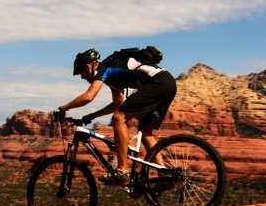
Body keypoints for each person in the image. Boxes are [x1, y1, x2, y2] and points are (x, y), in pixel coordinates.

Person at [55, 47, 177, 186]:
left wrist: (63, 108)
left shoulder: (105, 68)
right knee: (146, 132)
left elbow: (88, 97)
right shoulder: (113, 75)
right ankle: (164, 174)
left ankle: (122, 170)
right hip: (168, 84)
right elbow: (117, 104)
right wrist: (91, 116)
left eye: (81, 72)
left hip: (157, 84)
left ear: (90, 65)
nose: (82, 77)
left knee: (118, 119)